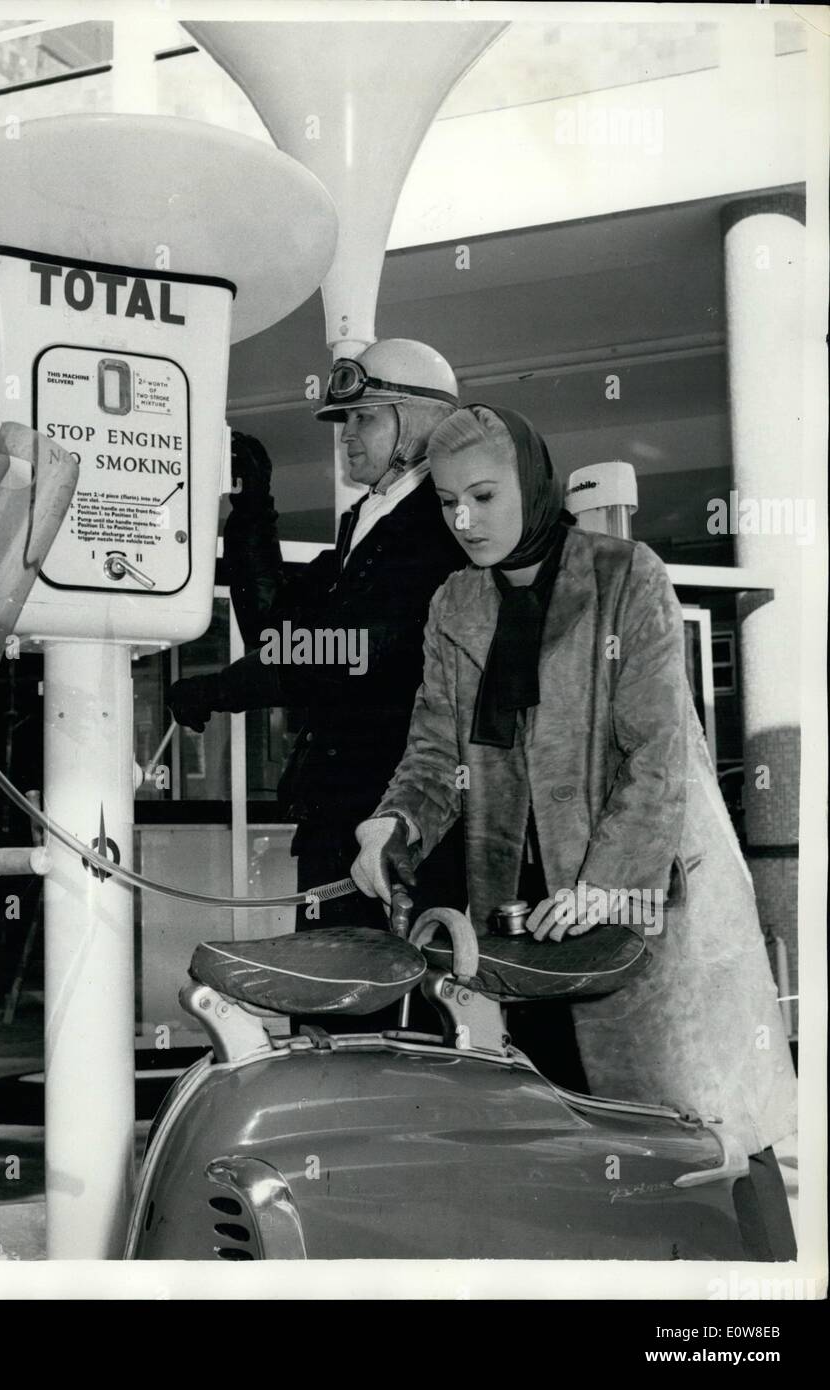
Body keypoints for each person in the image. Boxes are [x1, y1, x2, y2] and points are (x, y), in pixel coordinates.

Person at [351, 403, 798, 1258]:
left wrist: (604, 884)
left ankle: (757, 1317)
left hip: (651, 906)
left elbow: (657, 753)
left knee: (703, 1140)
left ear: (533, 480)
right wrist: (394, 823)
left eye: (483, 495)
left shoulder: (628, 575)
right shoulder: (456, 603)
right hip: (528, 924)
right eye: (447, 503)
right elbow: (437, 749)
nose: (464, 521)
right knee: (570, 1147)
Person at [167, 339, 468, 953]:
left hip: (394, 820)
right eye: (343, 420)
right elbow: (280, 631)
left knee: (376, 1009)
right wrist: (253, 509)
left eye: (365, 417)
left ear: (417, 422)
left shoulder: (435, 526)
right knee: (336, 1004)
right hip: (346, 813)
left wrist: (221, 688)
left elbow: (342, 653)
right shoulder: (370, 521)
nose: (346, 435)